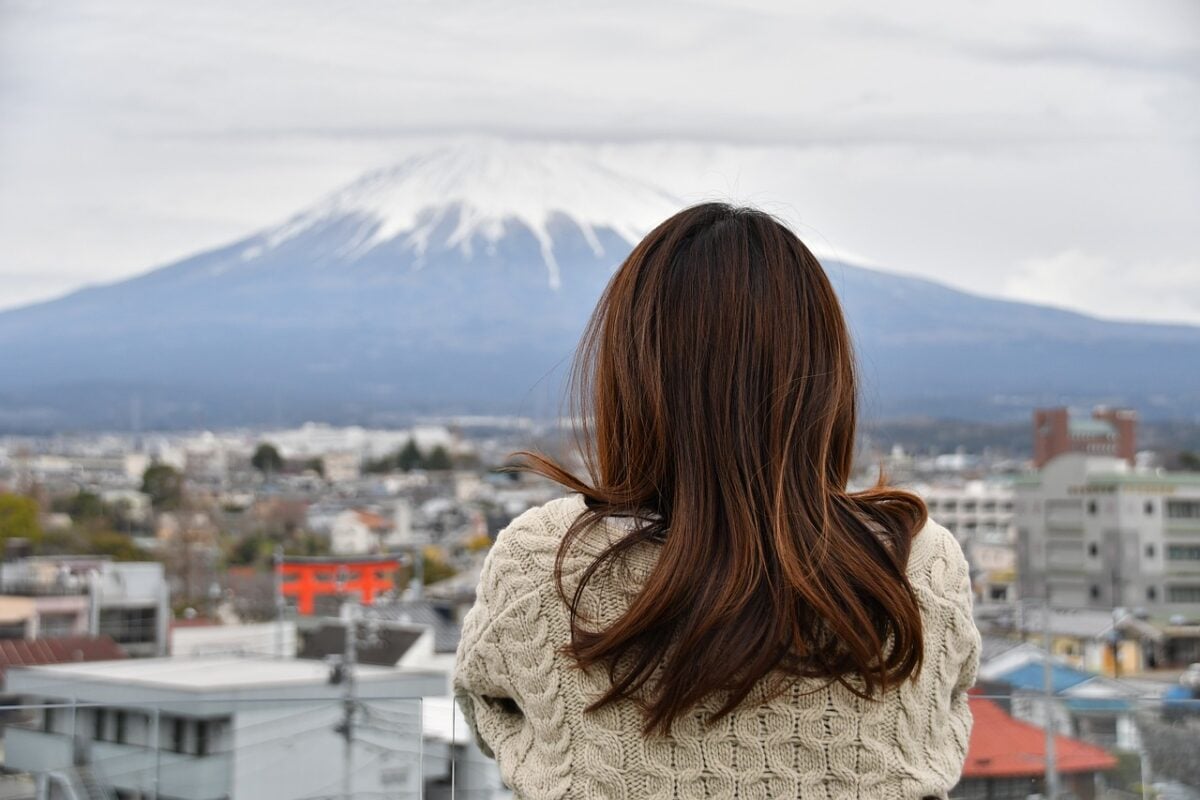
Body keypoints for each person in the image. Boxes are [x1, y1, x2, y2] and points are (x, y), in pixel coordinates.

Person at [453, 203, 981, 799]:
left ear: (629, 371)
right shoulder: (916, 560)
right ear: (826, 374)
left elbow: (487, 704)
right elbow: (944, 718)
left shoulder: (546, 558)